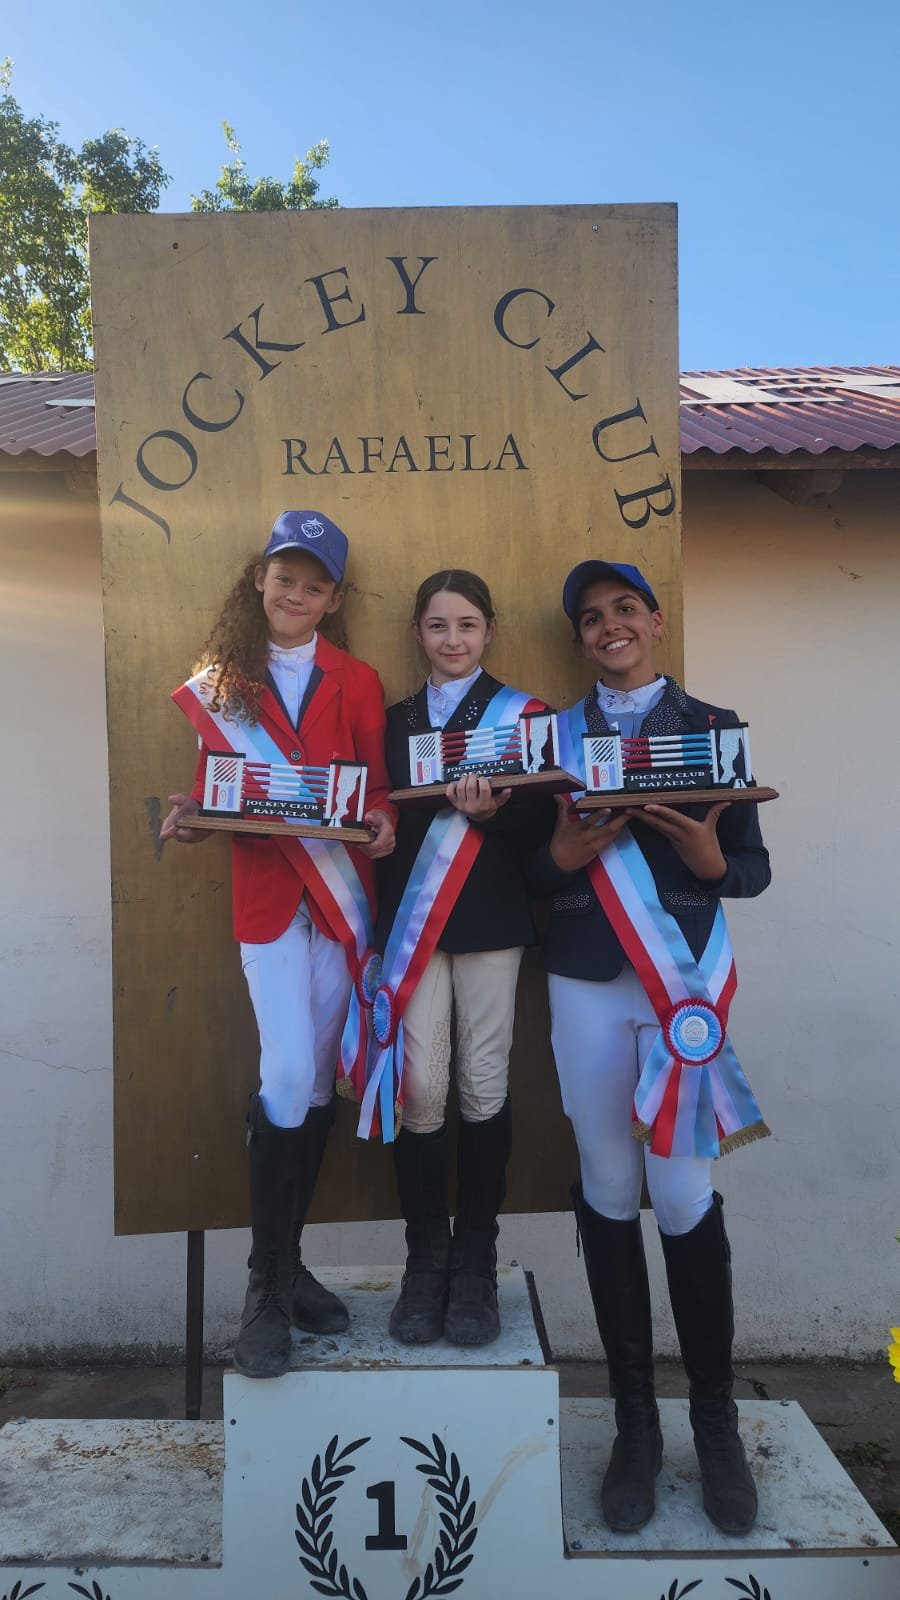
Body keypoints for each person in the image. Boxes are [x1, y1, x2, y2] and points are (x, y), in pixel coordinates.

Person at [528, 559, 771, 1537]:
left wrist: (714, 860)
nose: (609, 625)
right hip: (587, 977)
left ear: (656, 620)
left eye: (624, 608)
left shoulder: (717, 730)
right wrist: (557, 859)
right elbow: (522, 870)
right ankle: (635, 1424)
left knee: (682, 1193)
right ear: (581, 637)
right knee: (605, 1184)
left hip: (682, 989)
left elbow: (749, 868)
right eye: (591, 616)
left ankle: (712, 1422)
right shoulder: (550, 737)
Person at [161, 510, 396, 1379]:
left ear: (332, 599)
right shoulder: (222, 683)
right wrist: (189, 818)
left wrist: (380, 823)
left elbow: (377, 788)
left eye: (313, 583)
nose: (294, 593)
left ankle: (290, 1265)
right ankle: (264, 1283)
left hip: (339, 903)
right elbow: (209, 790)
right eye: (283, 577)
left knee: (321, 1076)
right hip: (266, 900)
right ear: (260, 580)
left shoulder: (360, 680)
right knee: (288, 1071)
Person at [374, 571, 551, 1347]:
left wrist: (496, 816)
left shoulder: (524, 716)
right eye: (439, 625)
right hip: (412, 929)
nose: (454, 640)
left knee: (483, 1083)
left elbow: (547, 834)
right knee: (421, 1089)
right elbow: (378, 824)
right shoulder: (390, 721)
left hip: (490, 922)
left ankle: (476, 1260)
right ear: (417, 631)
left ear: (490, 630)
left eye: (468, 625)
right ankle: (425, 1262)